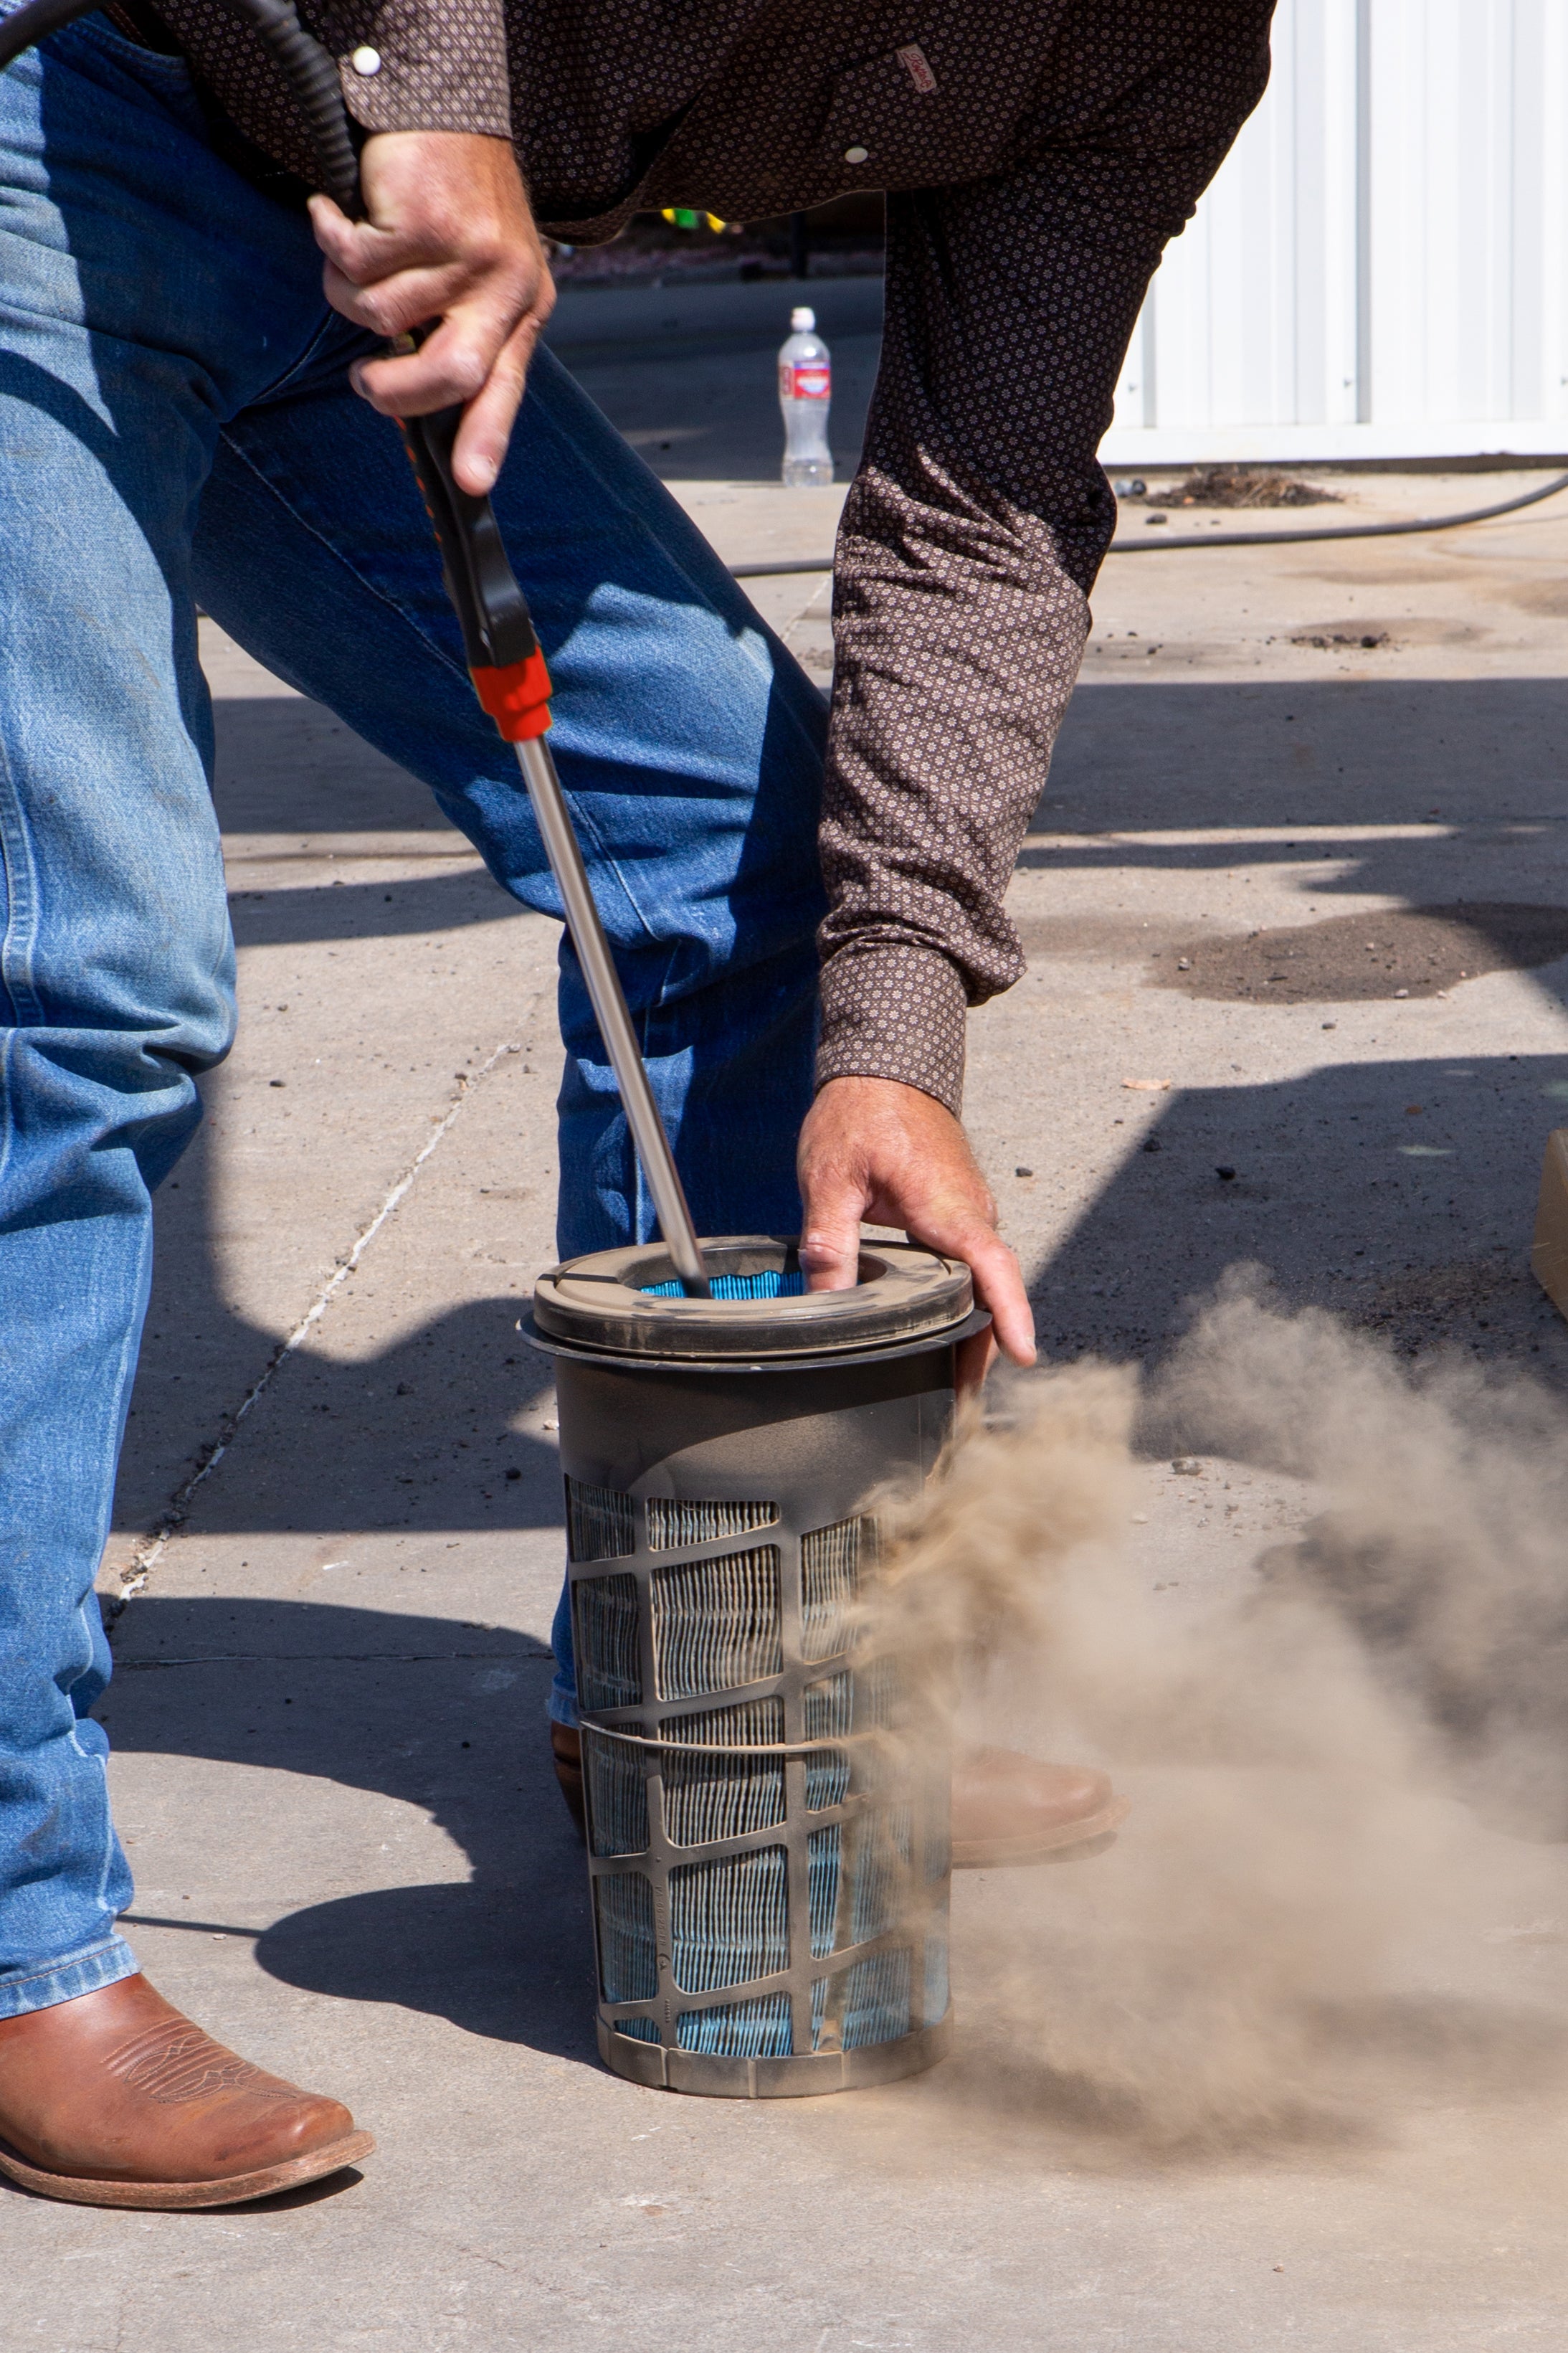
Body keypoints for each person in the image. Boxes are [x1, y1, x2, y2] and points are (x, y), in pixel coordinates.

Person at [0, 0, 1273, 2206]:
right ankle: (20, 1933)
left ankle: (694, 1699)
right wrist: (434, 87)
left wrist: (892, 1036)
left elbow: (979, 506)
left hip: (345, 264)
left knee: (743, 850)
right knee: (87, 981)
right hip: (84, 151)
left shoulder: (1160, 44)